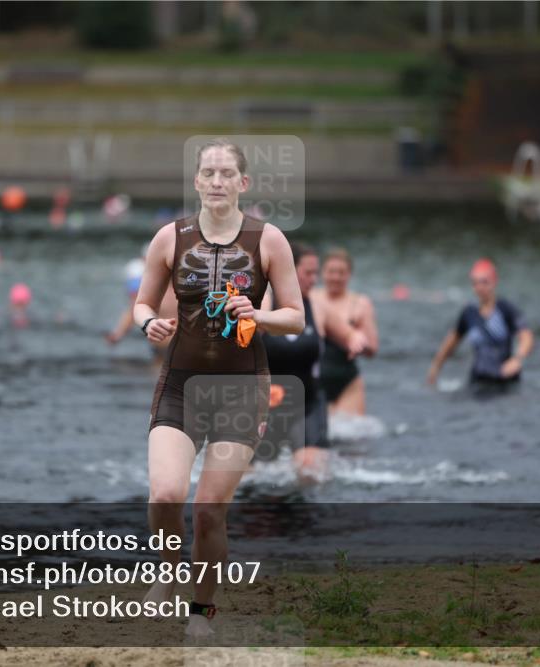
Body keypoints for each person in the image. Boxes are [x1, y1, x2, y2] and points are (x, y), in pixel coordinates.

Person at [133, 139, 303, 637]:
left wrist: (259, 315)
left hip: (242, 388)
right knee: (165, 494)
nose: (216, 182)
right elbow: (141, 305)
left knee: (209, 511)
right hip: (180, 383)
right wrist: (148, 325)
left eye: (226, 173)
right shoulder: (170, 237)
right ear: (196, 182)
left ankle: (201, 609)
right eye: (208, 173)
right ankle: (167, 571)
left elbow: (295, 318)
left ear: (243, 183)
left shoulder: (269, 240)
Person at [257, 242, 367, 482]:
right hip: (265, 408)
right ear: (288, 271)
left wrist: (356, 339)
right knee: (250, 478)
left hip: (307, 404)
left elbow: (348, 334)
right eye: (308, 273)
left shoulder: (317, 307)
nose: (314, 279)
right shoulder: (265, 301)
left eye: (316, 273)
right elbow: (250, 327)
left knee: (310, 473)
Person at [427, 258, 534, 389]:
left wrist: (517, 359)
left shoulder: (506, 309)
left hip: (504, 378)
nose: (480, 287)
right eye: (475, 283)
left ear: (494, 282)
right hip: (479, 378)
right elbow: (451, 342)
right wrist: (435, 368)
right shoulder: (469, 313)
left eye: (484, 282)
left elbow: (526, 337)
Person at [311, 248, 378, 415]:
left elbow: (373, 349)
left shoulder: (360, 303)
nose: (336, 277)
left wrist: (360, 344)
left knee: (352, 435)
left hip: (347, 381)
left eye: (341, 272)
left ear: (349, 275)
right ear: (322, 273)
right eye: (331, 272)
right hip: (314, 378)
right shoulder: (311, 298)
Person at [106, 249, 177, 368]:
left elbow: (132, 312)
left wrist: (117, 335)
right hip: (165, 350)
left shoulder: (183, 291)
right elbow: (133, 312)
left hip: (173, 350)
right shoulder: (157, 291)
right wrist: (118, 334)